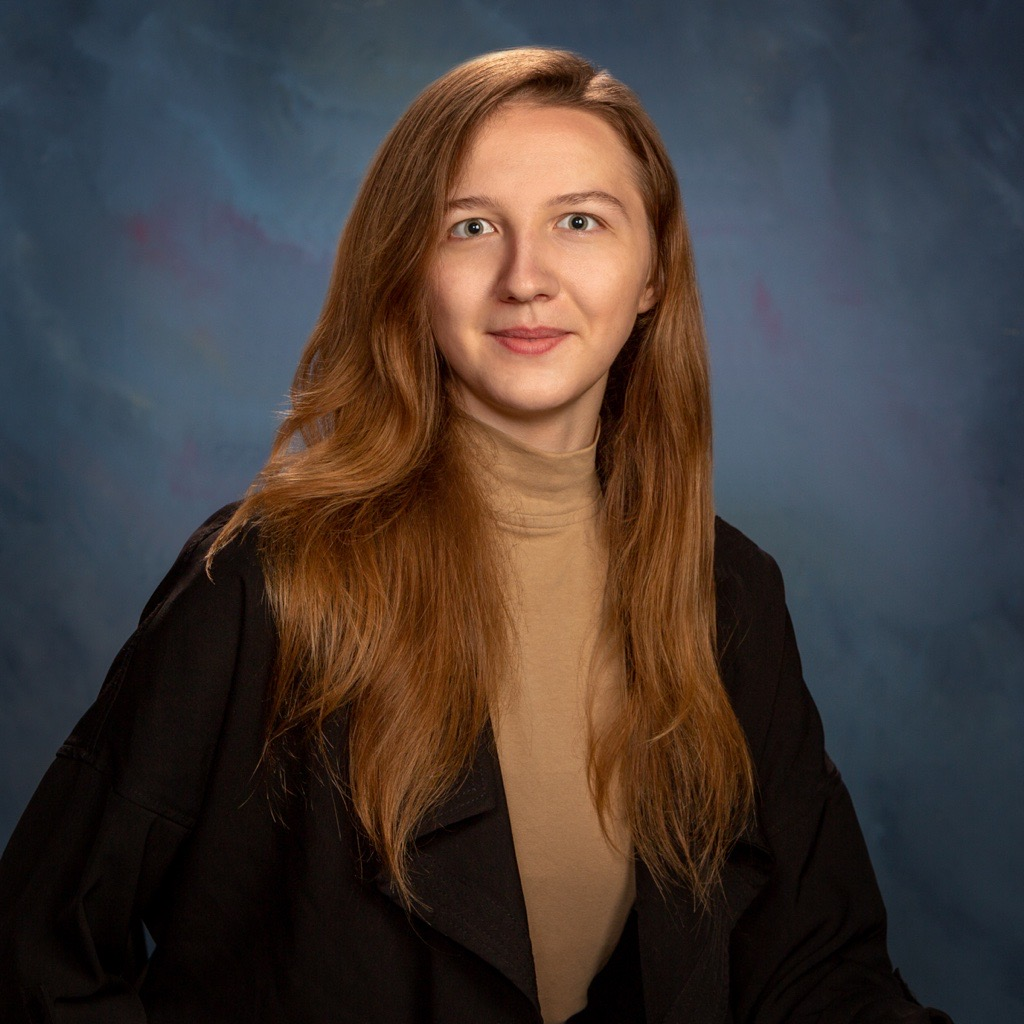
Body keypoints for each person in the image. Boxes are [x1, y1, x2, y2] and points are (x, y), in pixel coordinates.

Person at [0, 47, 952, 1024]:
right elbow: (35, 962)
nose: (524, 278)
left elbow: (816, 973)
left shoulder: (729, 592)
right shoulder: (267, 580)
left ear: (653, 273)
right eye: (470, 227)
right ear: (409, 270)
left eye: (578, 221)